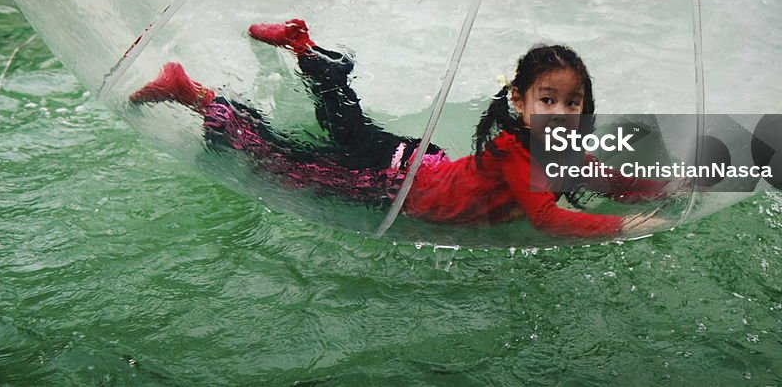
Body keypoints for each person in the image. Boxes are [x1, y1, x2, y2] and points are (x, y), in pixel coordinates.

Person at [129, 19, 670, 238]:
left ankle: (307, 51)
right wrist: (621, 228)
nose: (560, 112)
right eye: (547, 99)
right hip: (394, 184)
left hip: (421, 162)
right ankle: (191, 92)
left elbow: (606, 180)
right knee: (280, 160)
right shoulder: (514, 150)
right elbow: (547, 218)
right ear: (519, 102)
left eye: (572, 103)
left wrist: (667, 189)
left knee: (350, 130)